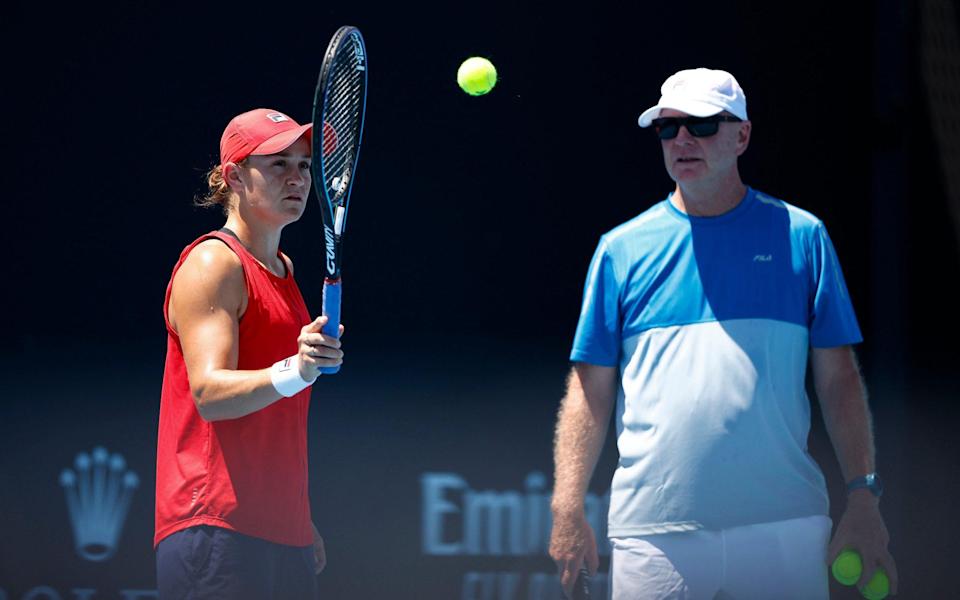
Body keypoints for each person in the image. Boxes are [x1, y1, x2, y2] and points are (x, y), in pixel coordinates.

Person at [548, 68, 898, 599]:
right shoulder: (620, 250)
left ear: (743, 136)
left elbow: (839, 381)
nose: (682, 139)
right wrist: (567, 506)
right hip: (654, 535)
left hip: (784, 526)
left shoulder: (803, 237)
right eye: (669, 129)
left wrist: (863, 498)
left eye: (703, 124)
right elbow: (588, 391)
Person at [154, 108, 343, 599]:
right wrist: (297, 370)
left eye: (304, 165)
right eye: (279, 164)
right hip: (215, 528)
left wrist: (296, 516)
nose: (298, 177)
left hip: (282, 532)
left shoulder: (283, 269)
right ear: (234, 177)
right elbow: (210, 394)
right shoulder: (214, 262)